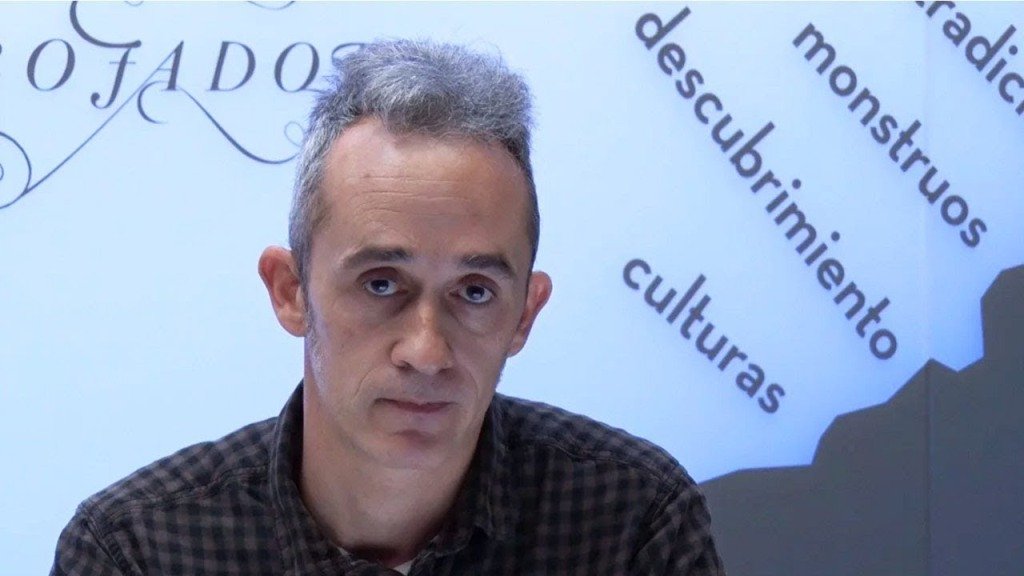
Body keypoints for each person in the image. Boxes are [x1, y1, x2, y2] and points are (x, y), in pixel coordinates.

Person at [50, 39, 725, 575]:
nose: (426, 351)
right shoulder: (136, 551)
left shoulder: (633, 520)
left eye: (475, 292)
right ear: (291, 291)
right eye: (381, 284)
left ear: (525, 313)